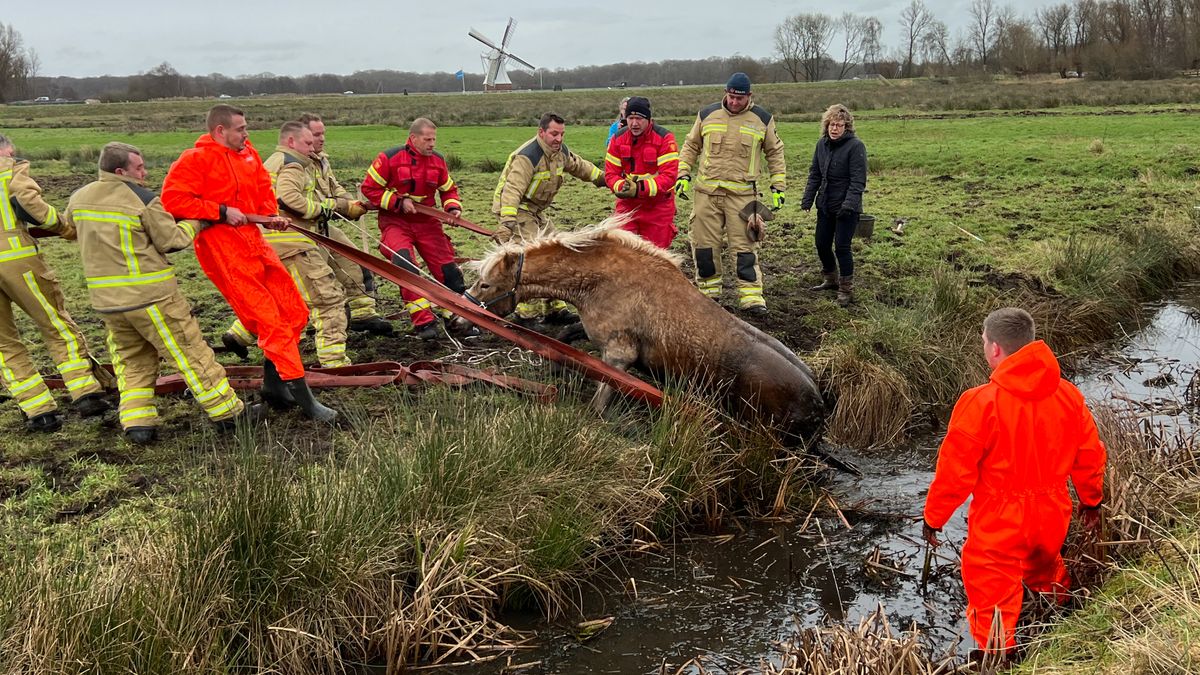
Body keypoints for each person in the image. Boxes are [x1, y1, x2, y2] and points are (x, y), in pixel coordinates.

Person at [922, 307, 1106, 657]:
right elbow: (1089, 455)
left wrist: (934, 518)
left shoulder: (980, 403)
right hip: (1052, 513)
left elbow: (954, 474)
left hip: (1000, 521)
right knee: (1047, 570)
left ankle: (1000, 660)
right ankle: (1063, 630)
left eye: (984, 342)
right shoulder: (1067, 394)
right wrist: (1091, 501)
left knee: (992, 601)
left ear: (994, 349)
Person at [63, 142, 262, 444]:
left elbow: (69, 231)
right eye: (139, 168)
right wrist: (199, 221)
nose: (145, 173)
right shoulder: (143, 199)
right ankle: (229, 414)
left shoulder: (79, 198)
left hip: (107, 303)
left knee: (131, 361)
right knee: (191, 354)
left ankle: (137, 423)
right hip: (151, 297)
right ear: (121, 171)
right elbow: (172, 240)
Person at [161, 104, 338, 423]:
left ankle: (273, 385)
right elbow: (173, 202)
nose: (247, 133)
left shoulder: (249, 155)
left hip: (255, 242)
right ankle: (307, 402)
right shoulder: (195, 160)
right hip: (222, 249)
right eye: (241, 129)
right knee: (271, 322)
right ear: (220, 131)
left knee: (295, 310)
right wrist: (221, 212)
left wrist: (271, 216)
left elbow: (261, 192)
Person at [0, 132, 110, 432]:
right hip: (17, 260)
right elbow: (34, 208)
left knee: (4, 345)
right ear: (5, 148)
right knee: (55, 325)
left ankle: (39, 411)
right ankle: (85, 392)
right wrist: (64, 227)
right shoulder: (10, 169)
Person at [221, 121, 352, 368]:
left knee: (286, 296)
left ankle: (241, 333)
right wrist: (326, 209)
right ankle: (335, 362)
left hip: (267, 241)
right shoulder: (293, 164)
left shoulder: (269, 162)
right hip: (293, 241)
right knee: (327, 299)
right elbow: (290, 199)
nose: (312, 148)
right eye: (308, 142)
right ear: (291, 142)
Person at [676, 72, 786, 316]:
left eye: (740, 98)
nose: (735, 102)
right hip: (706, 193)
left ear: (749, 97)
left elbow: (775, 152)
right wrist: (682, 174)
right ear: (725, 94)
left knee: (745, 247)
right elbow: (691, 145)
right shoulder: (707, 114)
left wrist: (779, 186)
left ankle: (751, 297)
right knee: (704, 246)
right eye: (731, 97)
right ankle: (708, 295)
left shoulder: (762, 119)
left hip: (742, 196)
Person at [361, 117, 477, 341]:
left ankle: (458, 319)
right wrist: (397, 202)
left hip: (428, 222)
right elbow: (370, 188)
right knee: (405, 266)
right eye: (427, 139)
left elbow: (448, 189)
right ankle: (424, 324)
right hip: (395, 222)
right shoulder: (389, 158)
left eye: (434, 139)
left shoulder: (438, 160)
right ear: (413, 138)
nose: (432, 144)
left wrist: (452, 209)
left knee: (449, 273)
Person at [492, 112, 606, 323]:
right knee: (530, 258)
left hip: (535, 210)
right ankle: (526, 314)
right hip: (517, 210)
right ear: (541, 132)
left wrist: (602, 178)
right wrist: (507, 223)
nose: (559, 139)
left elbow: (579, 166)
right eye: (554, 134)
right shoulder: (527, 157)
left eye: (562, 134)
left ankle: (555, 308)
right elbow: (512, 190)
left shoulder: (560, 152)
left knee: (556, 252)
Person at [297, 112, 392, 336]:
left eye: (323, 134)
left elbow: (334, 187)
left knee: (356, 262)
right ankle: (243, 333)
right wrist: (343, 206)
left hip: (324, 226)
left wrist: (351, 202)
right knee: (314, 283)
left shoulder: (322, 160)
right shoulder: (295, 165)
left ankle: (363, 314)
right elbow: (306, 202)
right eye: (316, 134)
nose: (322, 139)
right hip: (301, 231)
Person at [800, 104, 868, 307]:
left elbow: (858, 181)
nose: (834, 129)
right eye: (831, 124)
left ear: (846, 127)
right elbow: (815, 174)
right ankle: (830, 277)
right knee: (821, 244)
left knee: (842, 247)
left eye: (839, 125)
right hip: (826, 204)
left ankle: (846, 289)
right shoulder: (822, 145)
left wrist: (848, 204)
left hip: (847, 208)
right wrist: (808, 199)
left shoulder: (856, 147)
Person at [604, 96, 679, 248]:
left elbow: (669, 177)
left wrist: (638, 189)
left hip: (658, 207)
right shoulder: (617, 139)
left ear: (649, 119)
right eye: (631, 118)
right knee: (623, 251)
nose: (634, 123)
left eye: (639, 118)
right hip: (627, 206)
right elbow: (611, 174)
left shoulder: (665, 139)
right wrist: (621, 187)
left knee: (655, 257)